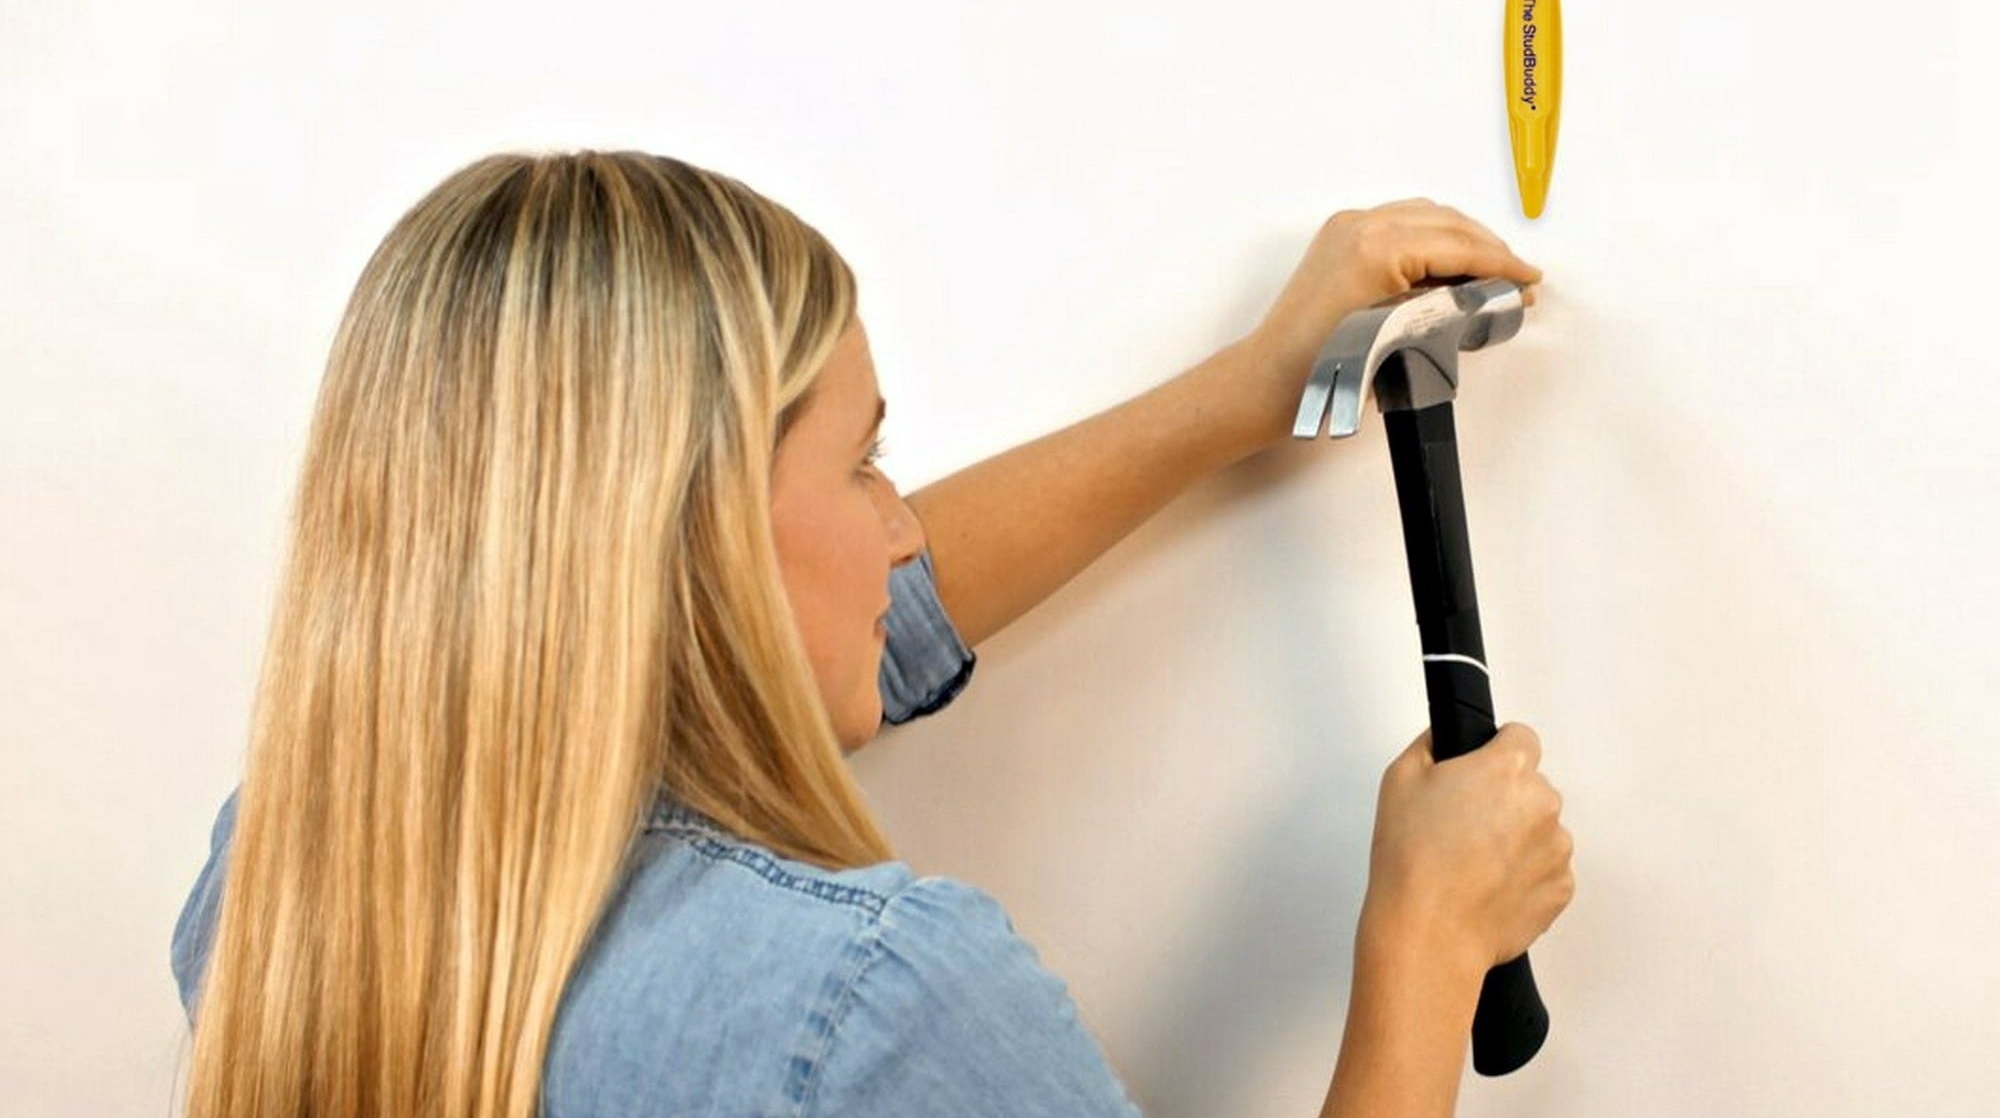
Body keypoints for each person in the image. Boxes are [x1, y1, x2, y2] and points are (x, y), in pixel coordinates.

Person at [169, 151, 1573, 1118]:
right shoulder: (869, 1004)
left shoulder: (285, 879)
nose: (902, 528)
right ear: (697, 546)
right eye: (863, 465)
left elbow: (827, 622)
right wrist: (1426, 957)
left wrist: (1243, 393)